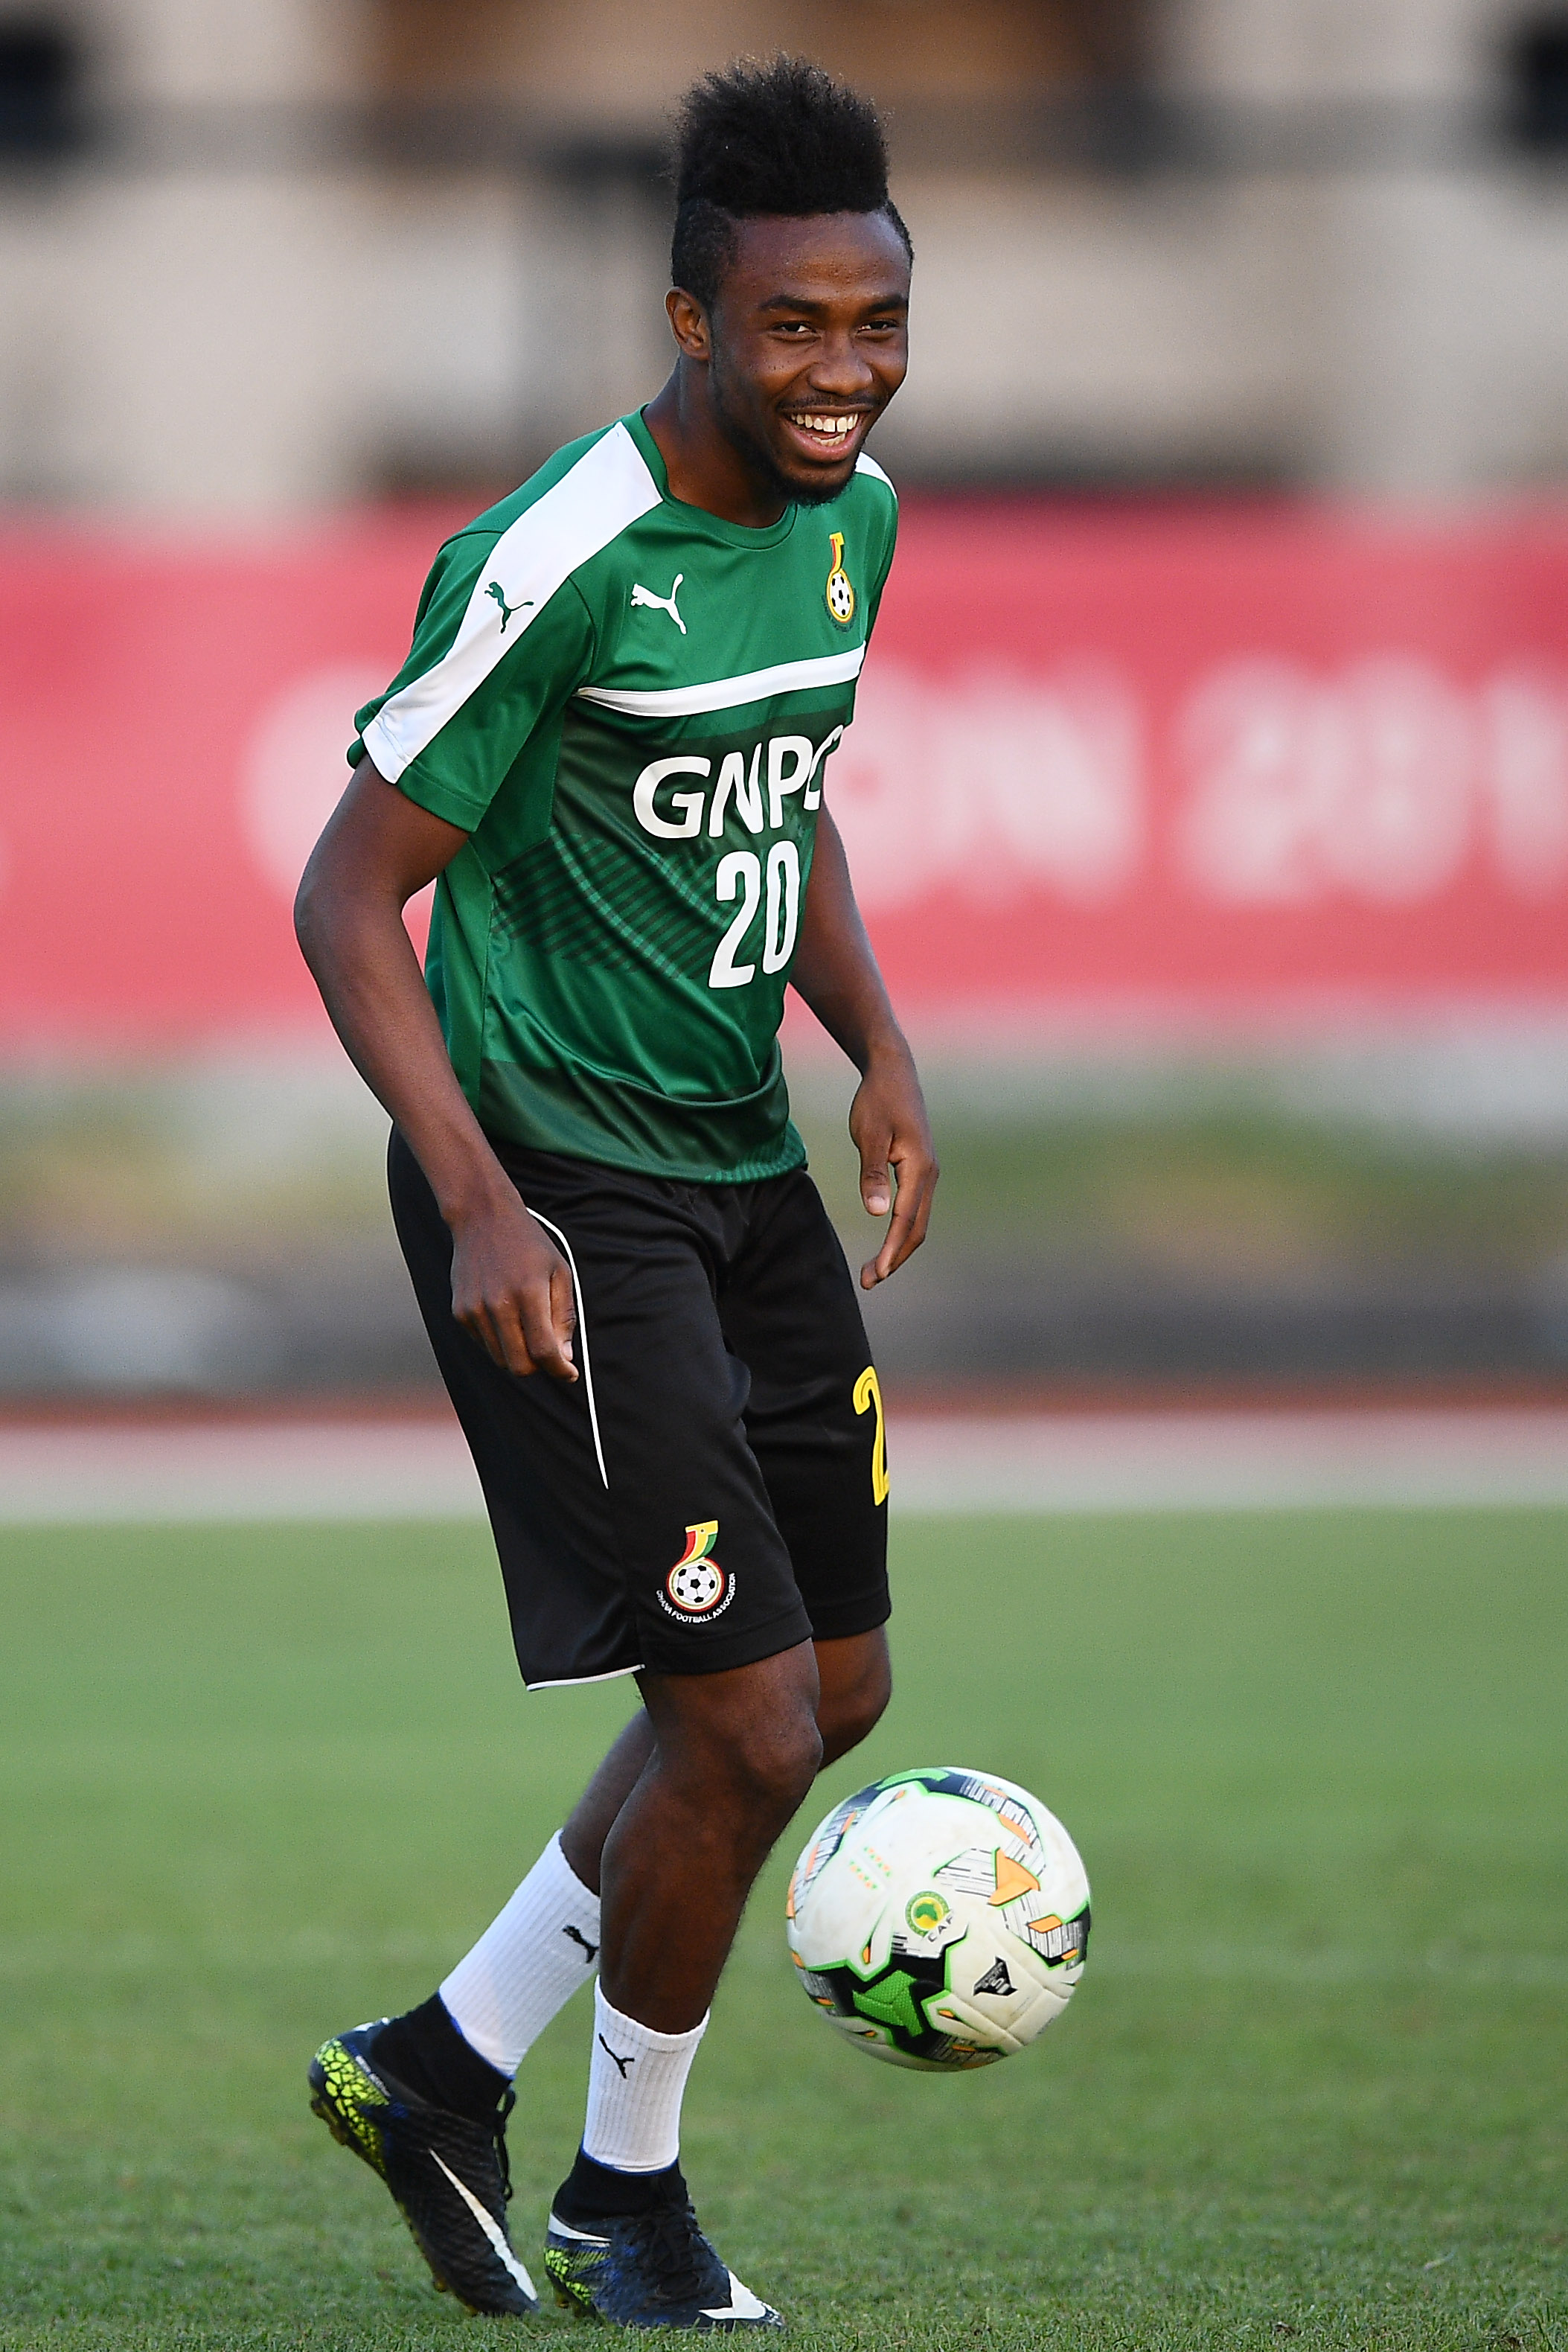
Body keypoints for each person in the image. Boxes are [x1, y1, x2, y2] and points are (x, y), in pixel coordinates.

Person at [294, 54, 935, 2333]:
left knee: (826, 1686)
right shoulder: (556, 554)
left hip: (740, 1171)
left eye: (871, 325)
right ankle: (621, 2203)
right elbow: (349, 897)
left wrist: (877, 1053)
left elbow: (798, 785)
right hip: (560, 1191)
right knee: (739, 1720)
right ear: (689, 322)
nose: (840, 372)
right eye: (791, 330)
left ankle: (435, 2065)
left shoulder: (847, 517)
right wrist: (472, 1200)